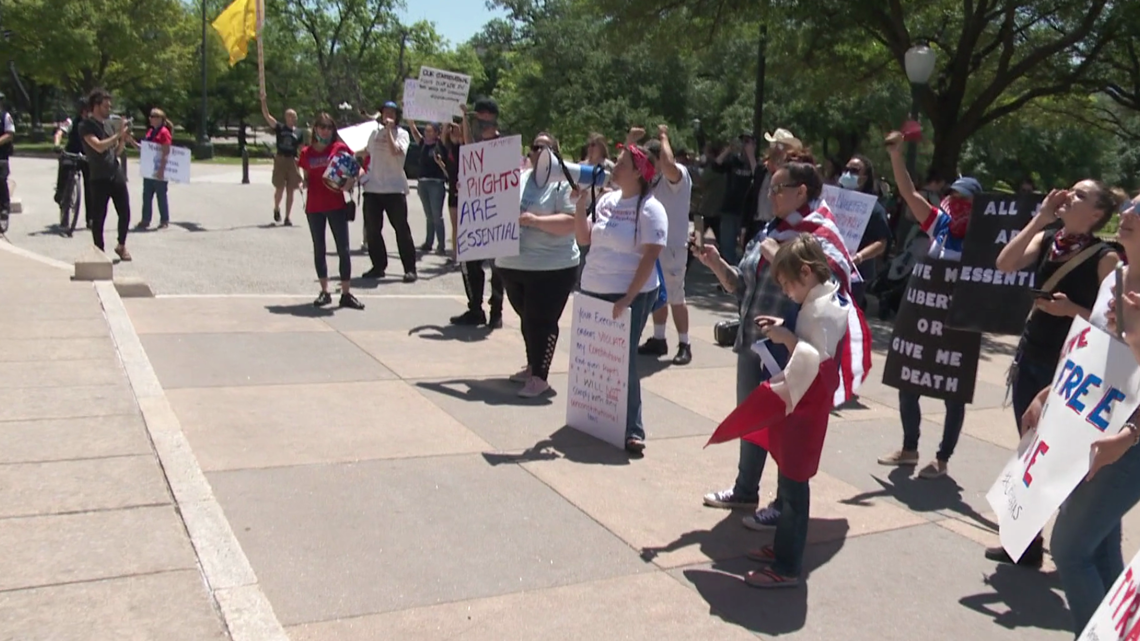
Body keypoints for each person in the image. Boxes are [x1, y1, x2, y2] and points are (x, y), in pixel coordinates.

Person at [698, 150, 859, 528]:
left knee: (787, 430)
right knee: (752, 421)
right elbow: (741, 284)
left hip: (790, 348)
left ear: (801, 192)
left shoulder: (819, 233)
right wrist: (716, 263)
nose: (770, 196)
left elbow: (827, 285)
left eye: (778, 189)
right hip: (754, 339)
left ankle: (783, 503)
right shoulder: (770, 229)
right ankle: (745, 490)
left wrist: (778, 252)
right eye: (769, 189)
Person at [1017, 191, 1137, 635]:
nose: (1127, 213)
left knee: (1069, 549)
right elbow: (1093, 348)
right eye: (1129, 206)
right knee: (1100, 546)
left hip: (1128, 443)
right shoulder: (1117, 277)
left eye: (1138, 211)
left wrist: (1129, 437)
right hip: (1091, 426)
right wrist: (1049, 392)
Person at [705, 234, 852, 588]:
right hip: (800, 404)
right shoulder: (822, 302)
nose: (786, 292)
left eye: (787, 285)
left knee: (795, 485)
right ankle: (783, 547)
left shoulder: (822, 312)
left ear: (805, 273)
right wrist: (786, 334)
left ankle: (787, 566)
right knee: (789, 479)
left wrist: (788, 339)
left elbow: (816, 359)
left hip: (804, 408)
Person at [987, 181, 1121, 567]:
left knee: (1066, 463)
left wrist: (1072, 311)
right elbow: (1005, 263)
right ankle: (1025, 544)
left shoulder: (1105, 257)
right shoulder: (1050, 239)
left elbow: (1114, 326)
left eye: (1080, 195)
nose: (1067, 196)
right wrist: (1041, 218)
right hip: (1032, 355)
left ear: (1096, 214)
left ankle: (1084, 549)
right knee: (1029, 451)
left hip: (1069, 371)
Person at [876, 130, 982, 479]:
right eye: (954, 197)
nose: (957, 204)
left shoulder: (985, 243)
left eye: (965, 200)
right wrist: (896, 155)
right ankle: (909, 449)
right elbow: (908, 192)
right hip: (924, 321)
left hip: (959, 326)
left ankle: (942, 459)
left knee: (953, 393)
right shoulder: (940, 225)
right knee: (909, 385)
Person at [575, 141, 668, 455]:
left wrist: (627, 299)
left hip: (631, 293)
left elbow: (649, 257)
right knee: (597, 359)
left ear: (639, 173)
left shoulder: (651, 208)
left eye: (623, 163)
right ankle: (598, 417)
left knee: (623, 359)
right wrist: (579, 205)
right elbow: (584, 238)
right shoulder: (606, 200)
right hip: (594, 287)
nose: (615, 166)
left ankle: (632, 428)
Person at [495, 132, 579, 398]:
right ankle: (532, 366)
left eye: (546, 148)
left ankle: (540, 378)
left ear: (556, 153)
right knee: (527, 319)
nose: (539, 152)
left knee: (541, 320)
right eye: (535, 147)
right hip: (514, 264)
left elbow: (570, 223)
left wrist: (535, 221)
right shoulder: (518, 179)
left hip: (551, 267)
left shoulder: (563, 183)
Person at [637, 124, 695, 366]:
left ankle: (685, 344)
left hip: (673, 246)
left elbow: (669, 164)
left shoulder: (676, 174)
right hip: (653, 245)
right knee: (657, 296)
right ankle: (659, 338)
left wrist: (663, 137)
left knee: (675, 296)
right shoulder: (652, 180)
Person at [296, 112, 364, 310]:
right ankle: (325, 291)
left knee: (343, 249)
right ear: (315, 129)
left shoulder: (339, 148)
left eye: (329, 127)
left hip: (336, 204)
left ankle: (345, 293)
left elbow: (358, 168)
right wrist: (302, 182)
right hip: (314, 206)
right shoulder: (307, 153)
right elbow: (305, 176)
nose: (325, 130)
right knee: (320, 248)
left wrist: (352, 180)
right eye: (322, 127)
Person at [450, 97, 505, 328]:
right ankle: (475, 308)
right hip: (475, 215)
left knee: (498, 267)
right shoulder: (473, 147)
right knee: (470, 262)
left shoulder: (504, 147)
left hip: (496, 215)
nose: (482, 126)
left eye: (486, 121)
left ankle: (496, 310)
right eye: (478, 120)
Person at [361, 101, 417, 282]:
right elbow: (367, 153)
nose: (388, 115)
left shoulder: (402, 134)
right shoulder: (374, 134)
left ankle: (410, 268)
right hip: (373, 188)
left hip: (394, 189)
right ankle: (378, 266)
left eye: (391, 112)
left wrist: (389, 132)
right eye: (385, 112)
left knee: (401, 229)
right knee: (372, 230)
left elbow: (395, 152)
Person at [79, 89, 132, 261]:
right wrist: (117, 134)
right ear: (96, 106)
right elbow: (99, 146)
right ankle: (99, 251)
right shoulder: (86, 125)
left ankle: (121, 245)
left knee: (125, 210)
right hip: (99, 175)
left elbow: (115, 151)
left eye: (110, 105)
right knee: (99, 216)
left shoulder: (108, 125)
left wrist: (122, 139)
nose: (109, 108)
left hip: (114, 171)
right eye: (105, 105)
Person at [837, 155, 892, 309]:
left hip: (856, 273)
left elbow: (881, 243)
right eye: (846, 169)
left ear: (865, 177)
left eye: (854, 171)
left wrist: (858, 258)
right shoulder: (832, 200)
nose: (848, 174)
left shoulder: (874, 208)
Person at [259, 93, 303, 226]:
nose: (292, 118)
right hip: (280, 159)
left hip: (292, 160)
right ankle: (277, 208)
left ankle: (287, 217)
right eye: (290, 116)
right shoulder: (280, 128)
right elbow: (267, 116)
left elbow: (301, 149)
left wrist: (302, 165)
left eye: (294, 116)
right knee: (280, 187)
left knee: (291, 189)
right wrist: (263, 101)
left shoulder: (299, 132)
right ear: (286, 117)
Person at [407, 120, 448, 255]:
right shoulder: (423, 143)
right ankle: (428, 242)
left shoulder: (439, 144)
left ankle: (441, 245)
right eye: (426, 131)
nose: (426, 133)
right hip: (423, 182)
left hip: (436, 183)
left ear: (437, 133)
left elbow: (444, 132)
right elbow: (414, 132)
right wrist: (410, 120)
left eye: (430, 131)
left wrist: (446, 122)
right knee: (429, 216)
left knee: (437, 216)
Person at [133, 108, 174, 230]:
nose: (150, 118)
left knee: (161, 194)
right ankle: (146, 219)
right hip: (149, 170)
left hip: (159, 168)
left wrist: (161, 169)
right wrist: (131, 141)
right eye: (150, 116)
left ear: (160, 119)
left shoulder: (164, 132)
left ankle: (164, 220)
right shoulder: (150, 132)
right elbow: (144, 148)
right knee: (147, 195)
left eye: (153, 116)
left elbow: (166, 150)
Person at [441, 117, 463, 262]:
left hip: (466, 190)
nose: (454, 131)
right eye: (452, 129)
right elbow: (443, 135)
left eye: (457, 129)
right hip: (453, 189)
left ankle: (464, 254)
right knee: (455, 225)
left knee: (464, 225)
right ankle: (455, 255)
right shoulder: (449, 147)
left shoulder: (467, 146)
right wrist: (446, 120)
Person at [0, 92, 14, 228]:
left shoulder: (5, 116)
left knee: (1, 180)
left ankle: (4, 207)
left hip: (1, 156)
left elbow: (9, 134)